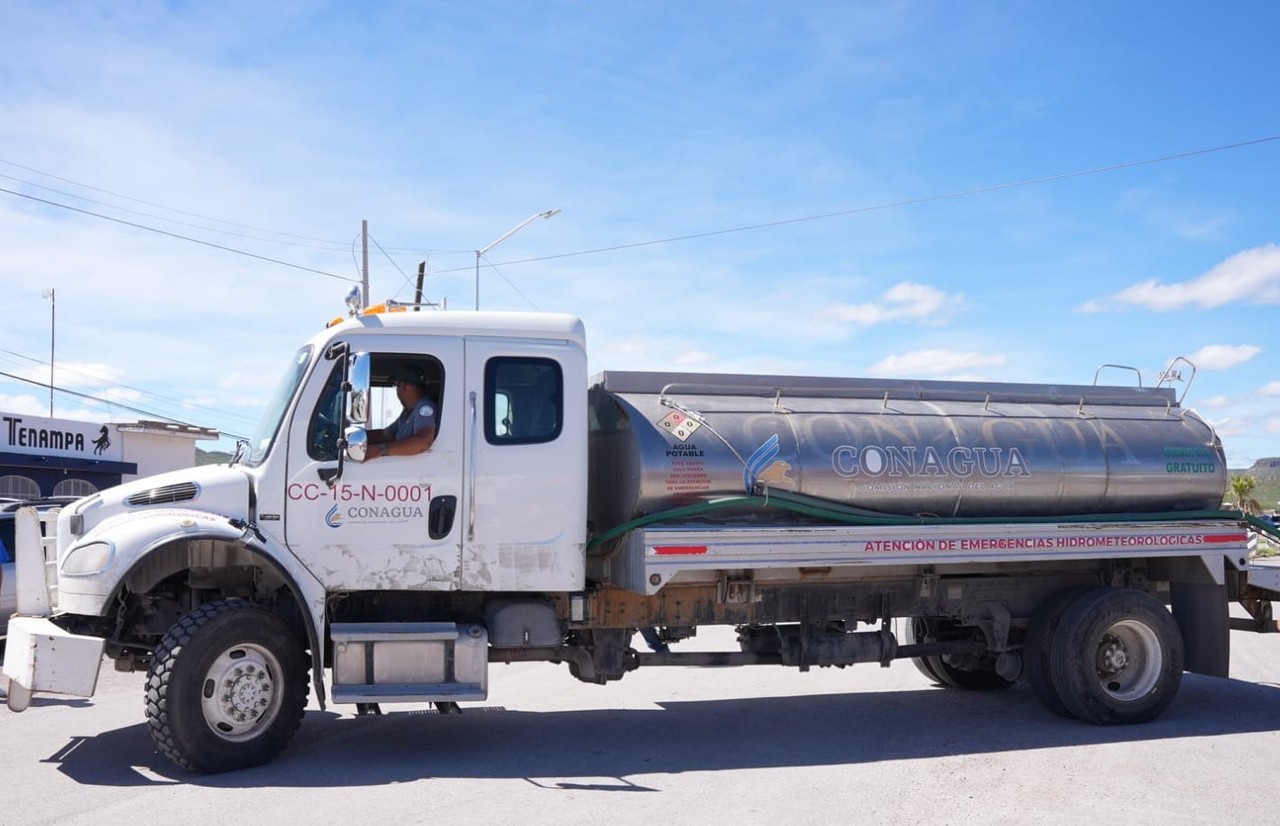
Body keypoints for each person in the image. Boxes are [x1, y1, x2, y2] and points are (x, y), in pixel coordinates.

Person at [367, 363, 437, 459]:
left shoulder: (425, 407)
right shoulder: (408, 412)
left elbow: (424, 441)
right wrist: (352, 438)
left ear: (403, 386)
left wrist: (380, 450)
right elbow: (386, 435)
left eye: (396, 385)